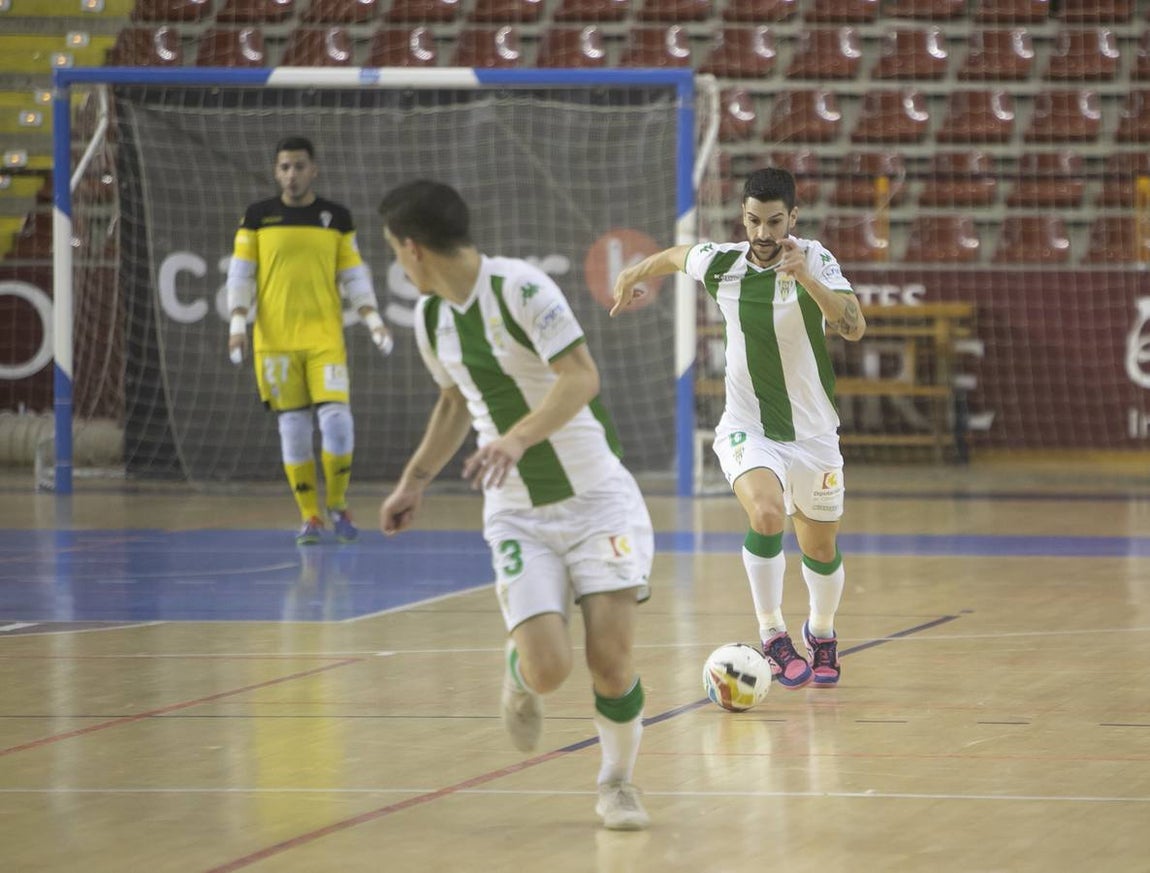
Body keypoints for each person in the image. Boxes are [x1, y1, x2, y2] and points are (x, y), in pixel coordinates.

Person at [377, 180, 653, 831]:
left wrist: (518, 435)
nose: (397, 262)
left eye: (394, 251)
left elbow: (582, 375)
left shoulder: (521, 288)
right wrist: (413, 479)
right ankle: (520, 668)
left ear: (413, 249)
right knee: (549, 669)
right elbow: (454, 400)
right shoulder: (432, 318)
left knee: (609, 662)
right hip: (517, 511)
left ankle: (617, 783)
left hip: (597, 500)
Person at [611, 167, 866, 689]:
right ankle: (772, 636)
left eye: (775, 222)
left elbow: (853, 325)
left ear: (792, 218)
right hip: (749, 427)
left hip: (814, 433)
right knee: (768, 514)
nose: (764, 234)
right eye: (754, 221)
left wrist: (808, 280)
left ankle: (821, 632)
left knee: (819, 549)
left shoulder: (814, 257)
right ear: (743, 219)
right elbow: (677, 256)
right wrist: (633, 273)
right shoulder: (723, 263)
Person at [226, 136, 392, 546]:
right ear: (275, 171)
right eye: (284, 167)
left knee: (337, 419)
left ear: (313, 169)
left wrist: (373, 319)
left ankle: (338, 503)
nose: (292, 174)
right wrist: (236, 324)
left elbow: (353, 273)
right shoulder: (257, 217)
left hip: (324, 339)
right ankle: (310, 516)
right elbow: (241, 274)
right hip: (275, 343)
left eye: (299, 166)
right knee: (294, 429)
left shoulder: (335, 218)